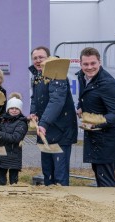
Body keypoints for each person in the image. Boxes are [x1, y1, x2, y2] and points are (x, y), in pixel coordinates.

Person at [28, 46, 77, 186]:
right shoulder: (37, 76)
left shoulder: (57, 74)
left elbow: (57, 101)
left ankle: (62, 203)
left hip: (61, 131)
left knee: (59, 175)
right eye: (35, 58)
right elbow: (35, 98)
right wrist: (34, 112)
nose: (38, 60)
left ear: (48, 58)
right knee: (48, 172)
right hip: (46, 130)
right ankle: (50, 204)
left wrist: (43, 123)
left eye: (41, 57)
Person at [76, 47, 115, 187]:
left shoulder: (108, 84)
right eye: (86, 64)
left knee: (106, 183)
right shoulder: (82, 77)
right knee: (99, 176)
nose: (89, 67)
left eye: (93, 63)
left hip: (106, 140)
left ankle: (111, 208)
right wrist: (80, 106)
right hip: (94, 138)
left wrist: (94, 123)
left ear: (99, 62)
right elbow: (85, 95)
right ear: (80, 64)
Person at [0, 93, 28, 185]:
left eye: (17, 109)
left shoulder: (22, 123)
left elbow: (16, 138)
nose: (14, 110)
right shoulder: (3, 120)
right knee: (0, 180)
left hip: (14, 155)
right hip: (1, 155)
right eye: (12, 108)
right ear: (8, 109)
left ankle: (14, 196)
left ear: (20, 110)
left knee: (13, 181)